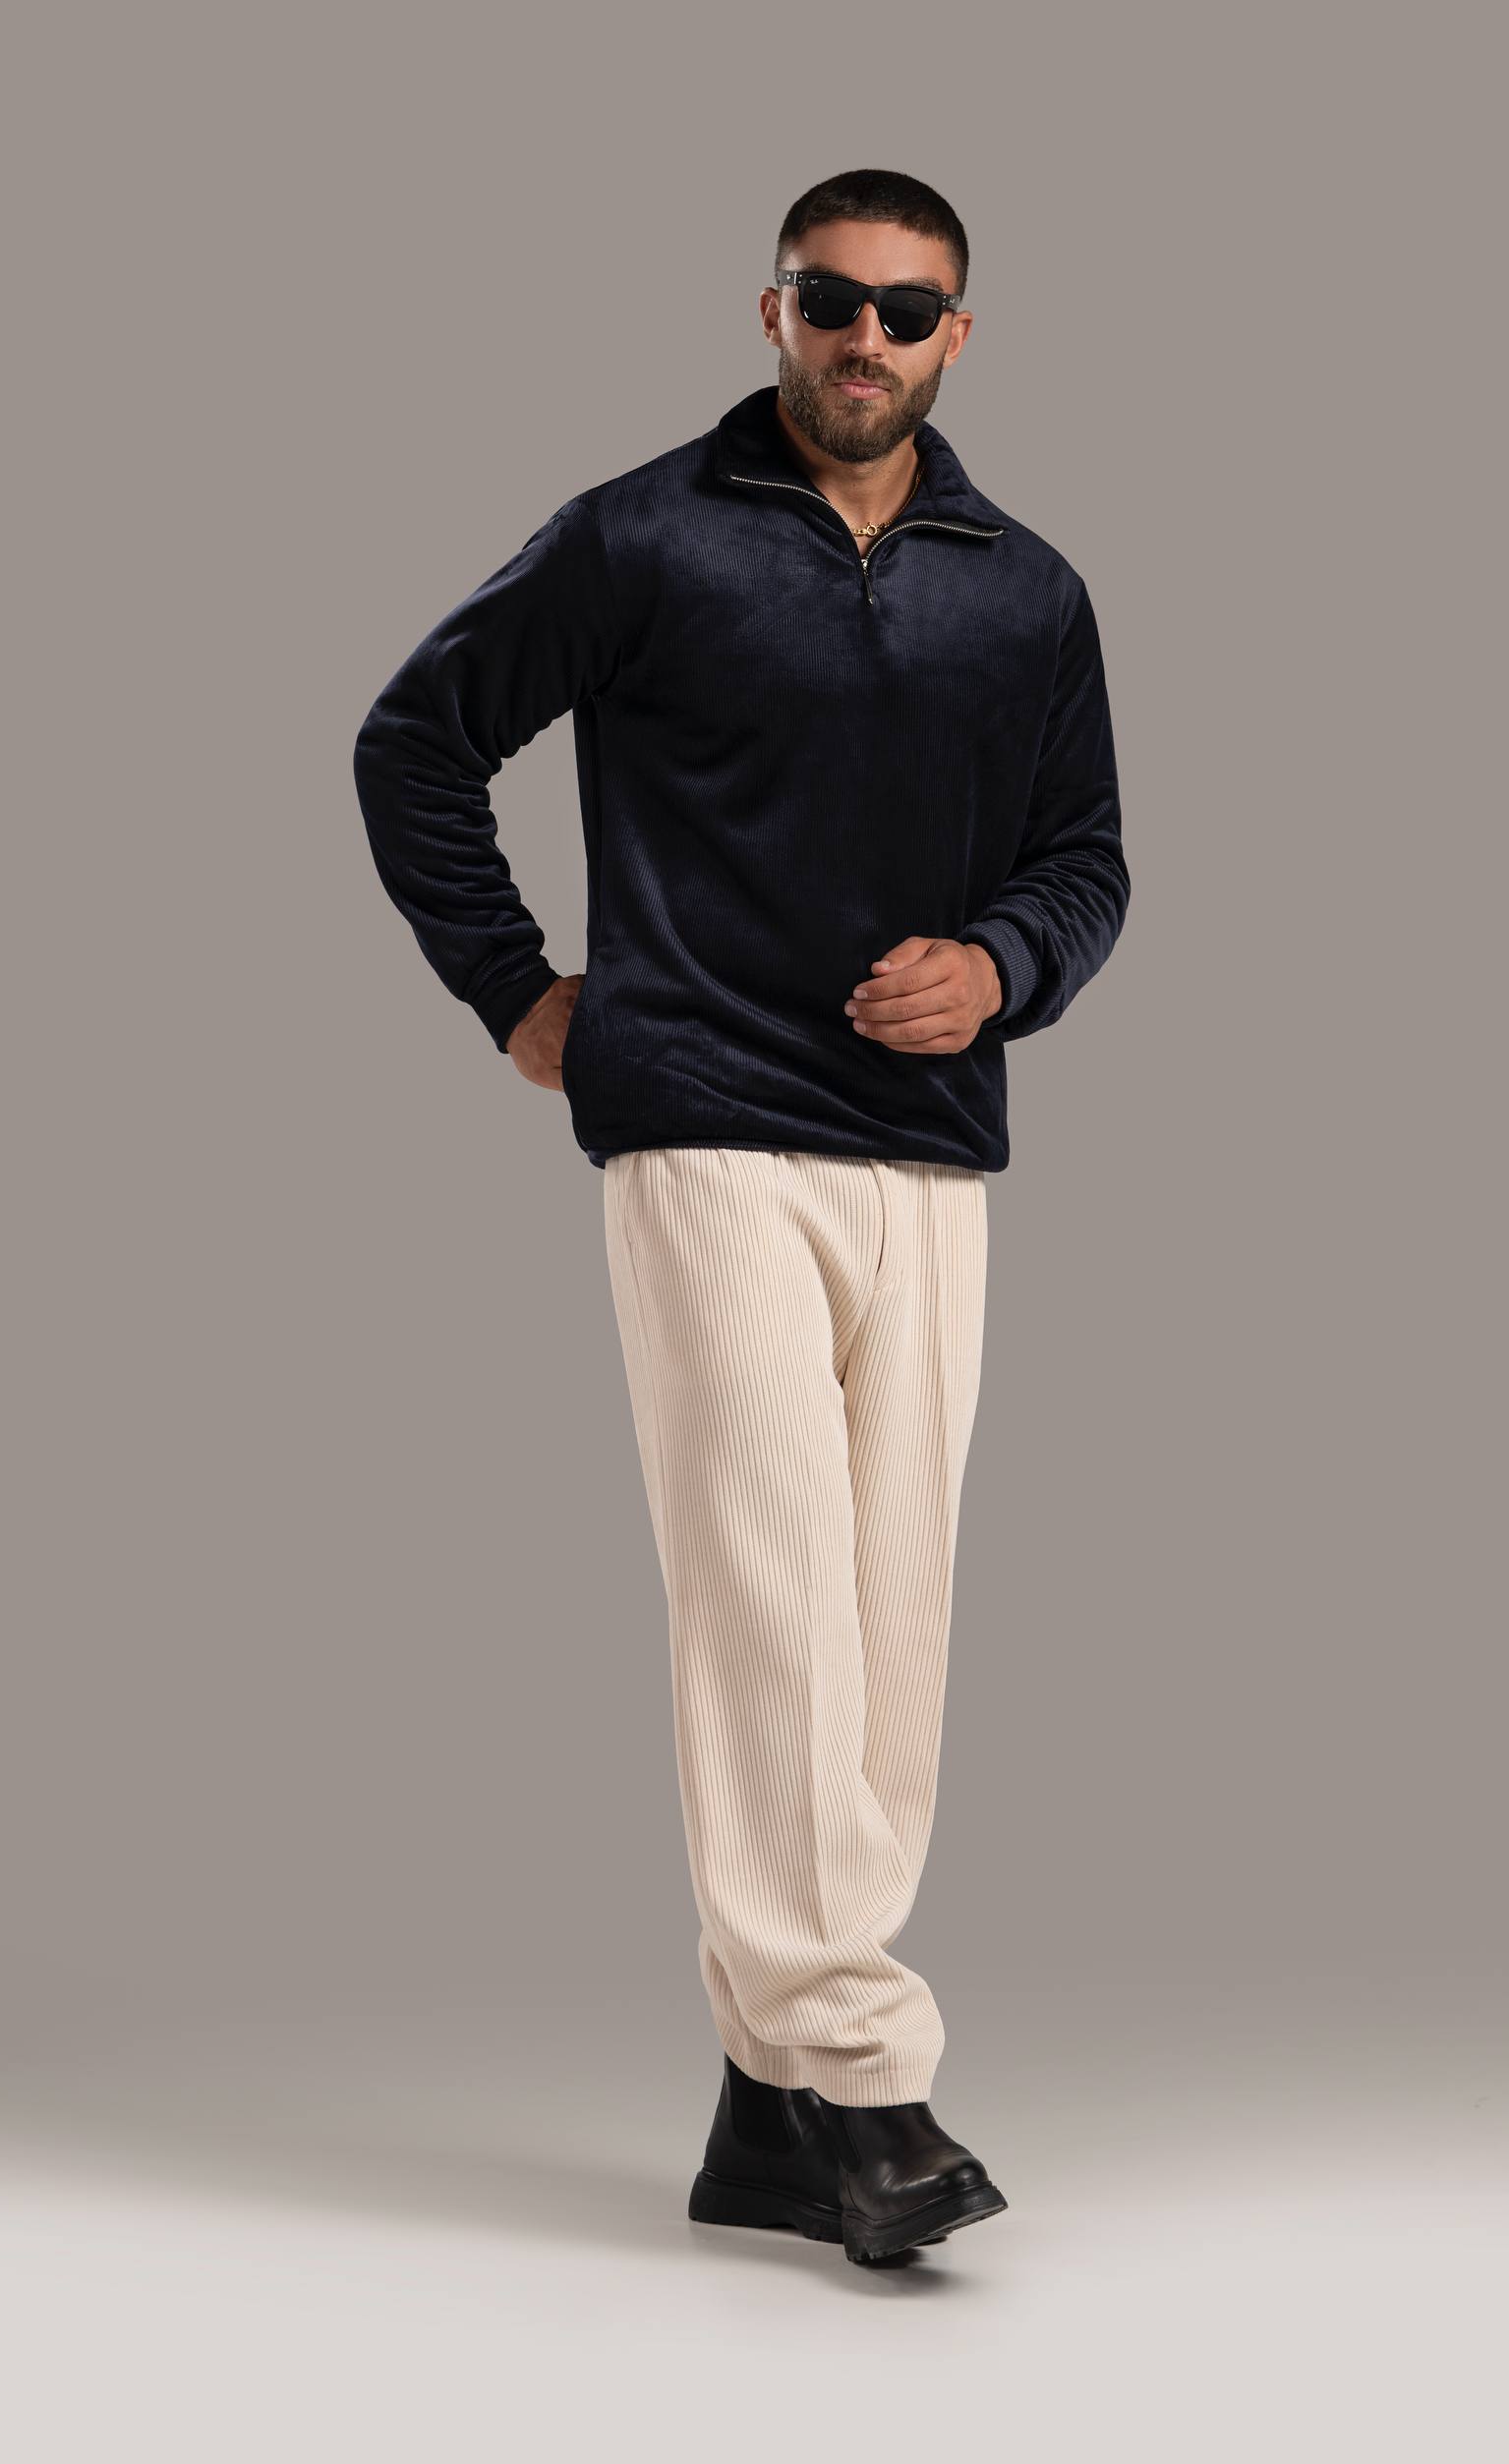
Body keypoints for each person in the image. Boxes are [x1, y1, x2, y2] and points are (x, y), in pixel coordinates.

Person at [353, 169, 1129, 2265]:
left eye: (908, 309)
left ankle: (763, 2109)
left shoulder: (1028, 589)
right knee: (770, 1597)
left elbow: (1084, 858)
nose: (867, 337)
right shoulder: (640, 536)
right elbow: (415, 741)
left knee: (885, 1625)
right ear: (770, 309)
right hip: (702, 1118)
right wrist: (517, 990)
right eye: (831, 298)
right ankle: (864, 2073)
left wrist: (1004, 967)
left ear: (958, 335)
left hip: (929, 1143)